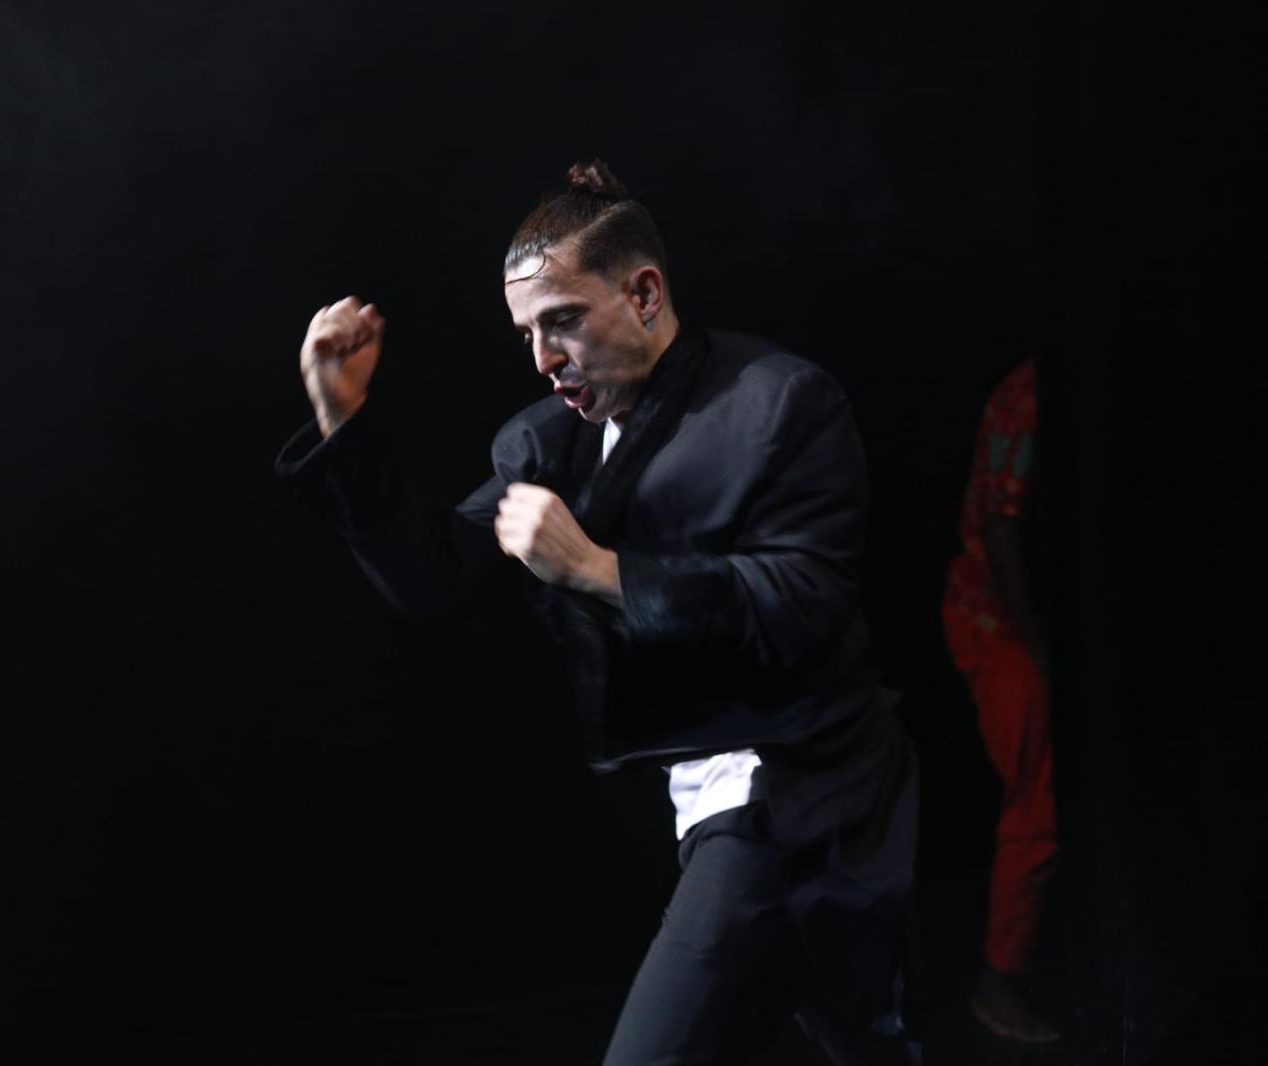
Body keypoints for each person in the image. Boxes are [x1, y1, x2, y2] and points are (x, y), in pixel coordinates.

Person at [277, 160, 920, 1065]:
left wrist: (596, 569)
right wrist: (342, 422)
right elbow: (437, 577)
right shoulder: (549, 443)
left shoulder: (779, 404)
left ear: (645, 294)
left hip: (799, 790)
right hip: (690, 804)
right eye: (529, 333)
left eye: (563, 322)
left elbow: (798, 604)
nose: (542, 360)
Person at [941, 359, 1059, 1043]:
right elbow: (1004, 525)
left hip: (1018, 624)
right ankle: (999, 985)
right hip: (993, 622)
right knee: (1037, 805)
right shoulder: (1029, 393)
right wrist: (1037, 645)